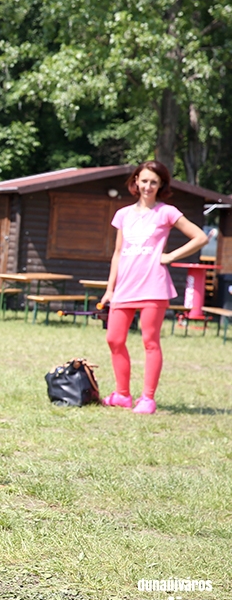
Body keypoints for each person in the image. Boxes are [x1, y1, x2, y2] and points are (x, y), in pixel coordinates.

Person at [100, 161, 208, 414]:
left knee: (150, 342)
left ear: (161, 186)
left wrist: (170, 256)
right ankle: (122, 395)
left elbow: (200, 237)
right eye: (144, 180)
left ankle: (147, 399)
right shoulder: (123, 214)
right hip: (124, 288)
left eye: (154, 182)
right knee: (114, 339)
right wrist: (110, 289)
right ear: (136, 181)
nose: (148, 186)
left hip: (153, 287)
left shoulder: (166, 212)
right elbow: (118, 253)